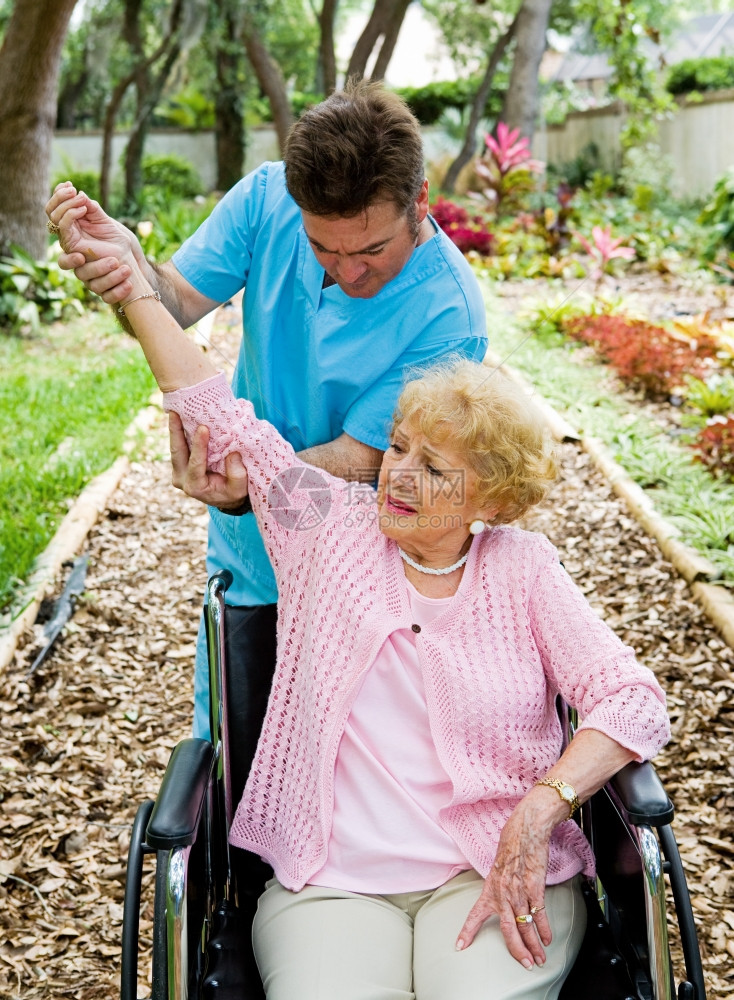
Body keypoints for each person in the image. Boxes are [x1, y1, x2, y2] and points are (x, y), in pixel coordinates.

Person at [54, 196, 670, 998]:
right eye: (401, 445)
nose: (401, 474)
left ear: (492, 501)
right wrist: (135, 285)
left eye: (437, 468)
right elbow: (213, 407)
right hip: (333, 881)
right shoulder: (327, 531)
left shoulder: (523, 570)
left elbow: (631, 700)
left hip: (492, 865)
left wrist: (539, 812)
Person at [45, 80, 488, 740]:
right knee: (236, 755)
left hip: (360, 575)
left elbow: (359, 460)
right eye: (322, 248)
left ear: (420, 202)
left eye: (371, 250)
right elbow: (177, 303)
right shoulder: (265, 199)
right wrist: (129, 268)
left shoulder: (450, 316)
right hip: (251, 562)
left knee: (351, 771)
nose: (347, 273)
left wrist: (242, 486)